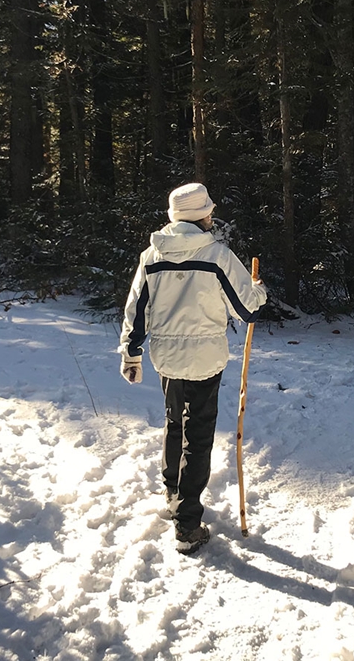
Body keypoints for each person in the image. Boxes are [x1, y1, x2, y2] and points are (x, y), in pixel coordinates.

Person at [119, 183, 267, 555]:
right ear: (201, 215)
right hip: (205, 358)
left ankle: (174, 493)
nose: (212, 216)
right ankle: (187, 524)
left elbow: (136, 308)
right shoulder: (217, 255)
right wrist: (258, 289)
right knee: (198, 435)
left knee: (174, 421)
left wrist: (131, 353)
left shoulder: (152, 256)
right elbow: (247, 309)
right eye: (208, 211)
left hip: (165, 356)